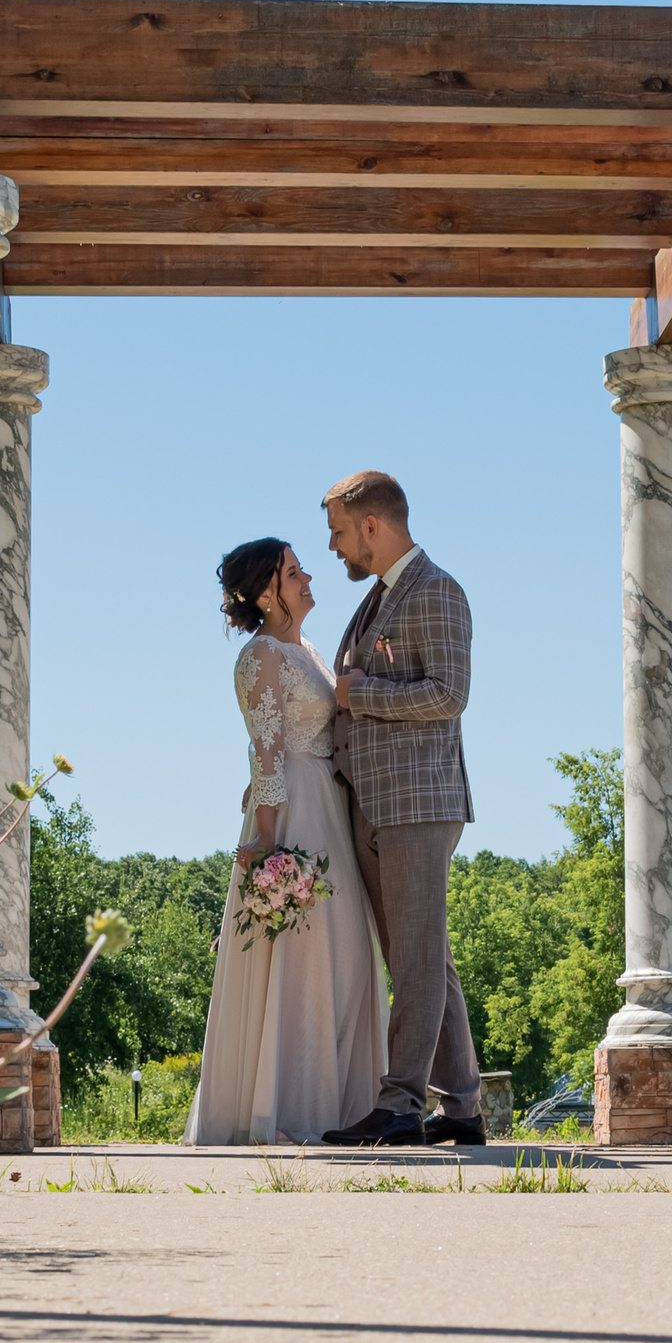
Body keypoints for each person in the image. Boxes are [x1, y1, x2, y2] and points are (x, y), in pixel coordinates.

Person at [185, 539, 388, 1145]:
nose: (307, 578)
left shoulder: (310, 652)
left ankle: (345, 1107)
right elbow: (267, 750)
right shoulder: (261, 656)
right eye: (294, 572)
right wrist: (270, 842)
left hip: (330, 807)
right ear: (268, 594)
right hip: (294, 813)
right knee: (303, 958)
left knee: (347, 958)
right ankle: (293, 1110)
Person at [316, 470, 486, 1146]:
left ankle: (400, 1105)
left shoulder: (437, 590)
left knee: (415, 962)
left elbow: (449, 693)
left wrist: (360, 694)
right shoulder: (377, 598)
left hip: (417, 802)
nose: (333, 547)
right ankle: (463, 1108)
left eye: (338, 532)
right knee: (424, 960)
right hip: (378, 804)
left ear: (371, 526)